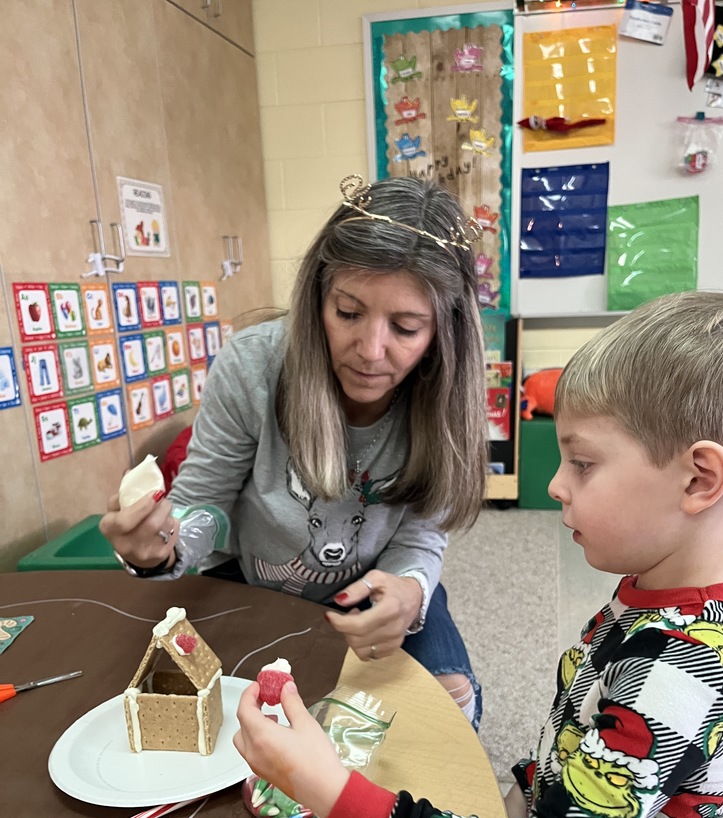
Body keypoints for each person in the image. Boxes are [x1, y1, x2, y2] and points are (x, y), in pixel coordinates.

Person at [232, 290, 723, 818]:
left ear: (700, 480)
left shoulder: (677, 671)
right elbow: (571, 773)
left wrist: (327, 789)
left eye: (582, 463)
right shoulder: (656, 595)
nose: (555, 483)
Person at [99, 174, 489, 728]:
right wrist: (161, 547)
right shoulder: (254, 365)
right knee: (218, 716)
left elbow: (421, 535)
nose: (371, 351)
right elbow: (203, 507)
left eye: (405, 327)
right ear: (318, 298)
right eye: (348, 313)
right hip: (250, 580)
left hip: (373, 585)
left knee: (449, 708)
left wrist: (408, 590)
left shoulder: (446, 395)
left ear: (442, 335)